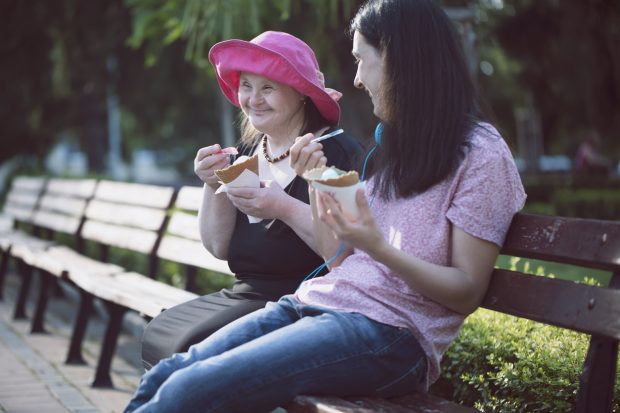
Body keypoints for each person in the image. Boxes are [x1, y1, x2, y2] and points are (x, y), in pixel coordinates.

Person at [126, 1, 526, 411]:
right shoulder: (399, 149)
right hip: (316, 303)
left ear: (398, 59)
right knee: (168, 373)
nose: (355, 79)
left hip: (389, 336)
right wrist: (318, 181)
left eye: (360, 61)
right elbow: (338, 260)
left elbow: (465, 292)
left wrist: (377, 246)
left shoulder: (482, 155)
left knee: (189, 389)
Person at [140, 30, 363, 370]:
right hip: (245, 295)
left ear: (301, 93)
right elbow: (219, 246)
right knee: (160, 332)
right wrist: (212, 183)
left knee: (187, 348)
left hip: (302, 305)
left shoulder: (337, 154)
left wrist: (283, 207)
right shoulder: (247, 153)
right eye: (246, 85)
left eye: (268, 87)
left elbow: (347, 257)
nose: (253, 99)